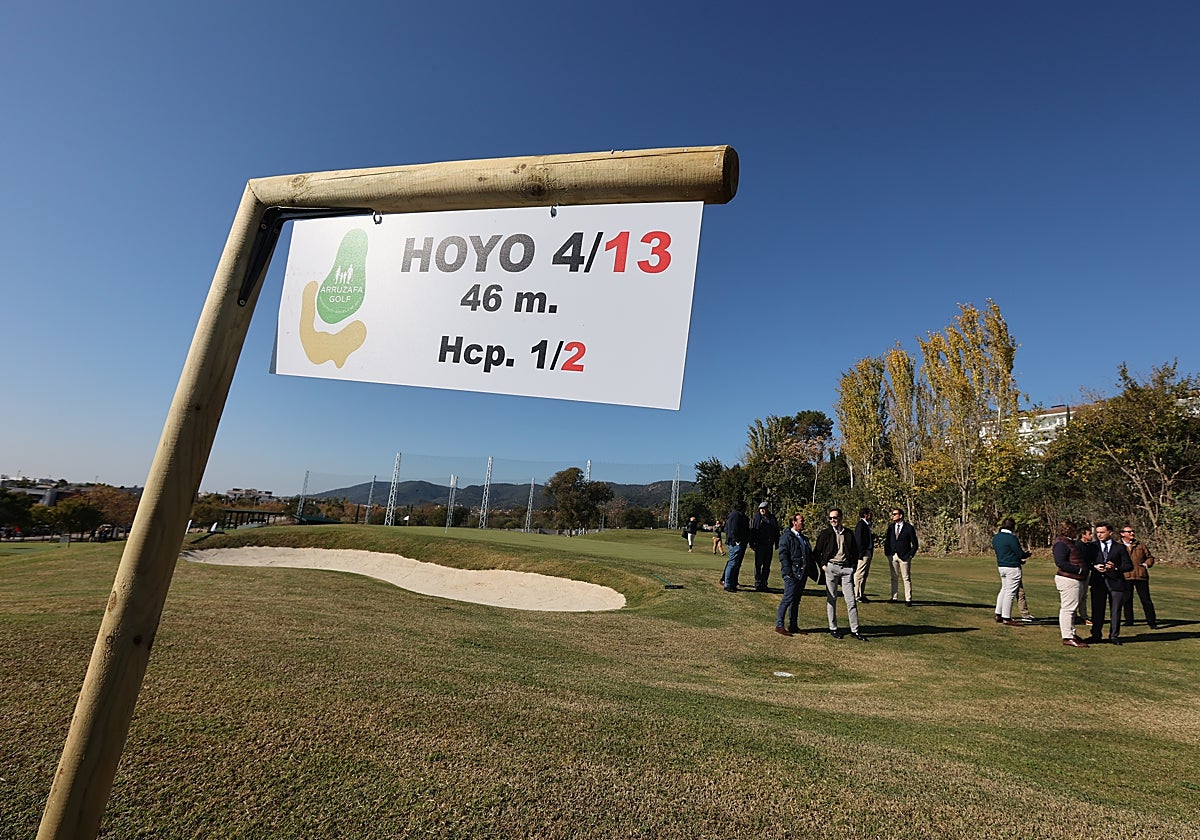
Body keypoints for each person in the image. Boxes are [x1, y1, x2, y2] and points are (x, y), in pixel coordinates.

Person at [814, 508, 868, 641]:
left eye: (835, 517)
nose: (833, 520)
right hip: (831, 568)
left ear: (841, 518)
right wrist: (824, 566)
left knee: (851, 601)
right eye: (830, 518)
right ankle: (833, 628)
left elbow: (855, 552)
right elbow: (816, 552)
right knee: (831, 599)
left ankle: (855, 630)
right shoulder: (825, 533)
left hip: (846, 570)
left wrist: (853, 567)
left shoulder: (848, 533)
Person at [1087, 522, 1134, 645]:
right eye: (1097, 532)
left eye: (1102, 532)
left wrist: (1116, 568)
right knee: (1097, 610)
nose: (1099, 535)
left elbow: (1129, 566)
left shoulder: (1119, 548)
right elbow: (1085, 562)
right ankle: (1096, 635)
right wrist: (1094, 567)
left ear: (1110, 533)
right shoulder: (1092, 547)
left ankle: (1114, 636)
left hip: (1116, 583)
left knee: (1116, 611)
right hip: (1098, 582)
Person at [1053, 523, 1091, 647]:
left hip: (1075, 579)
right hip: (1069, 579)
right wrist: (1078, 570)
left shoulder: (1068, 542)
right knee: (1068, 609)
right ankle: (1067, 636)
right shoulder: (1061, 543)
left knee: (1072, 609)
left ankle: (1071, 633)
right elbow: (1060, 562)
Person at [775, 513, 811, 635]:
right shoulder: (787, 537)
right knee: (787, 598)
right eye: (801, 521)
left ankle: (793, 625)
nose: (803, 523)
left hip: (802, 573)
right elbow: (783, 555)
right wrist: (788, 572)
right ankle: (779, 625)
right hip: (792, 573)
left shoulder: (803, 538)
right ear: (794, 522)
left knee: (796, 600)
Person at [992, 517, 1029, 626]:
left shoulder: (996, 537)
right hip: (1012, 568)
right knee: (1010, 592)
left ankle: (998, 613)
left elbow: (1007, 552)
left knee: (1003, 590)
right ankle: (1006, 617)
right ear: (1013, 527)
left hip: (1001, 566)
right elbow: (1020, 553)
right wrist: (1026, 555)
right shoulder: (1011, 538)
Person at [1120, 525, 1158, 629]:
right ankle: (1129, 621)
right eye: (1129, 532)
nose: (1132, 533)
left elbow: (1150, 557)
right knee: (1127, 600)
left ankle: (1152, 622)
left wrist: (1146, 564)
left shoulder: (1140, 545)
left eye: (1133, 531)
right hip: (1126, 576)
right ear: (1122, 534)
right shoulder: (1118, 546)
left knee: (1146, 600)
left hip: (1141, 576)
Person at [883, 507, 918, 606]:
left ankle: (908, 599)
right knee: (894, 577)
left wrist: (910, 555)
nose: (893, 516)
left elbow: (915, 543)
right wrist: (887, 553)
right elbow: (887, 541)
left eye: (895, 514)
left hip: (904, 556)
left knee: (906, 578)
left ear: (901, 515)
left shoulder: (908, 528)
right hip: (893, 555)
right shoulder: (891, 527)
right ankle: (894, 597)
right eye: (893, 514)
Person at [750, 502, 781, 591]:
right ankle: (758, 583)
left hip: (769, 545)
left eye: (763, 508)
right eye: (760, 508)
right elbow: (753, 531)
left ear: (767, 509)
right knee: (758, 565)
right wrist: (752, 543)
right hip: (759, 545)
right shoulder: (757, 518)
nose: (762, 510)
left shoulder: (772, 519)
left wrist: (777, 542)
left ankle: (764, 584)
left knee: (767, 566)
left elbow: (776, 531)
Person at [722, 503, 751, 592]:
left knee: (736, 564)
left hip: (739, 542)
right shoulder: (735, 516)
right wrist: (737, 541)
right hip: (735, 543)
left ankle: (732, 583)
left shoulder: (738, 515)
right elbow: (733, 529)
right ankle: (727, 584)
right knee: (732, 563)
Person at [853, 508, 874, 602]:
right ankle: (856, 594)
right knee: (860, 573)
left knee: (864, 574)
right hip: (863, 553)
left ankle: (861, 593)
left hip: (868, 552)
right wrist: (861, 553)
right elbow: (858, 540)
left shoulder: (867, 525)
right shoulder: (861, 525)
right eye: (870, 514)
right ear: (866, 515)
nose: (871, 516)